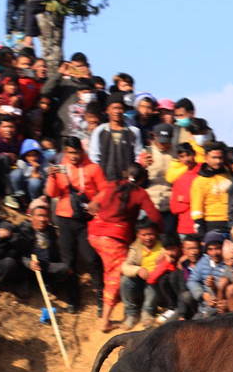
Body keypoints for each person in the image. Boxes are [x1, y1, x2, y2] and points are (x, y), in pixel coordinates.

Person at [88, 163, 162, 331]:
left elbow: (95, 202)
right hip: (113, 239)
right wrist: (161, 234)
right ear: (142, 179)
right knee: (114, 278)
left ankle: (120, 307)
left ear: (124, 173)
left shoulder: (112, 184)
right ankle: (106, 321)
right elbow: (155, 216)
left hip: (94, 233)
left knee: (110, 272)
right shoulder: (140, 193)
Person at [45, 136, 107, 309]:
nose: (73, 156)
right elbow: (52, 193)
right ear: (65, 152)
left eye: (76, 152)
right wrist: (51, 177)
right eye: (70, 152)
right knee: (68, 261)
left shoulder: (93, 168)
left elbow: (105, 189)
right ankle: (73, 299)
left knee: (91, 258)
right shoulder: (60, 169)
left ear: (82, 151)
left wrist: (96, 201)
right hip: (64, 218)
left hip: (86, 219)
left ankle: (102, 297)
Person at [119, 219, 168, 329]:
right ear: (138, 235)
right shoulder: (135, 247)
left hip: (157, 283)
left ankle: (147, 312)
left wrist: (165, 255)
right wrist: (138, 270)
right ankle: (132, 314)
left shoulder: (163, 244)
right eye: (144, 234)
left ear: (156, 233)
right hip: (140, 282)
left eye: (150, 234)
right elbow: (125, 266)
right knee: (125, 281)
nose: (147, 238)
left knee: (154, 281)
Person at [87, 92, 142, 183]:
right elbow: (94, 158)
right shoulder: (99, 131)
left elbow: (138, 157)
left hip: (128, 183)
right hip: (104, 183)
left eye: (120, 108)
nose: (117, 111)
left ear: (123, 110)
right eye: (114, 108)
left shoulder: (134, 132)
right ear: (107, 110)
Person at [187, 231, 233, 318]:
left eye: (217, 248)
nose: (214, 253)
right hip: (203, 308)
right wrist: (203, 294)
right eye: (210, 249)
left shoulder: (229, 263)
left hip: (220, 310)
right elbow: (192, 280)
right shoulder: (204, 261)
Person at [190, 142, 233, 235]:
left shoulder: (230, 176)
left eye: (220, 158)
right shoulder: (199, 181)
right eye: (214, 158)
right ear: (206, 158)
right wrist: (201, 232)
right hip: (212, 225)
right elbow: (197, 209)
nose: (217, 161)